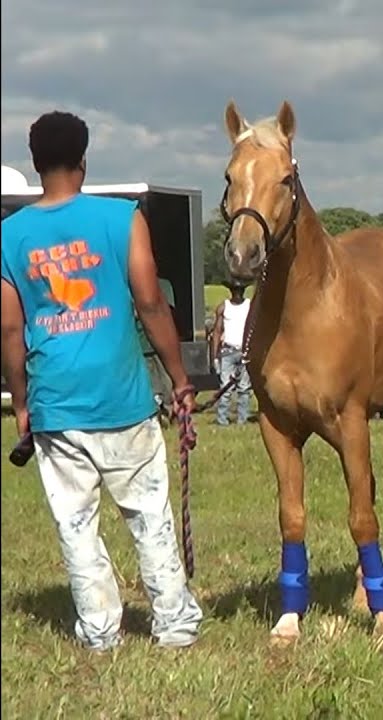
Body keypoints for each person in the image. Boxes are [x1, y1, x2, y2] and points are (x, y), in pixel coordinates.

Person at [0, 110, 203, 651]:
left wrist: (21, 402)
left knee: (76, 525)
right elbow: (150, 302)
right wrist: (178, 377)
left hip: (56, 400)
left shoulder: (9, 236)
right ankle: (174, 623)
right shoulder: (122, 219)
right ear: (84, 162)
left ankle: (99, 630)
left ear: (36, 163)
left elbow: (8, 327)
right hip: (122, 396)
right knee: (149, 514)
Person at [208, 280, 253, 425]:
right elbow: (217, 332)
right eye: (235, 290)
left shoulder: (250, 307)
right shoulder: (224, 307)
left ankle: (242, 420)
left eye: (239, 290)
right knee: (225, 388)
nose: (237, 293)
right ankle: (222, 420)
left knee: (244, 389)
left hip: (244, 351)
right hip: (228, 351)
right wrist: (214, 357)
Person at [137, 277, 177, 419]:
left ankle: (168, 409)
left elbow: (168, 311)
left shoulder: (164, 285)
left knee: (167, 382)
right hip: (141, 345)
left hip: (161, 344)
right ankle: (156, 412)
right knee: (151, 384)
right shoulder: (131, 286)